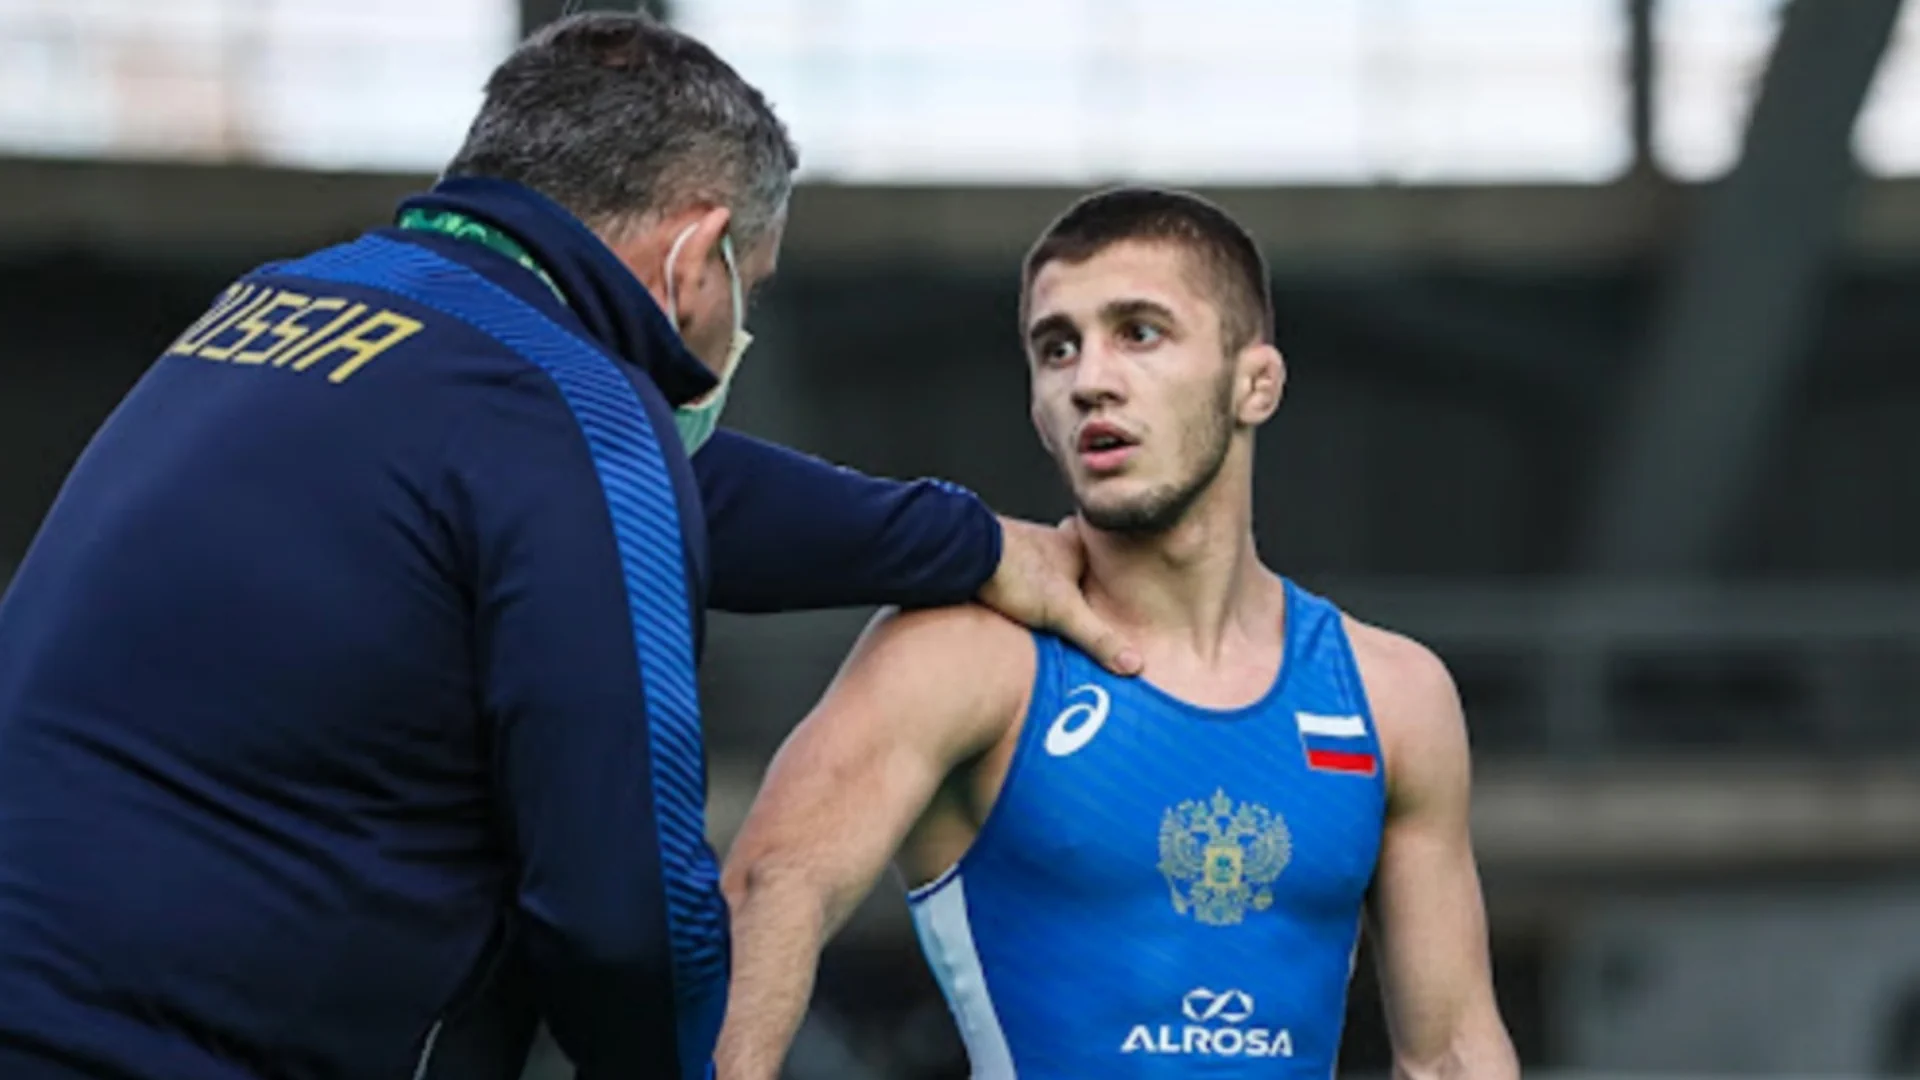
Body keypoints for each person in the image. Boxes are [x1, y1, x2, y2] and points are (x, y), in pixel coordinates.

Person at [0, 14, 1137, 1080]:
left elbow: (663, 490)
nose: (734, 331)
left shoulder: (294, 306)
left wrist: (969, 543)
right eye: (748, 291)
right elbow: (623, 918)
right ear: (697, 255)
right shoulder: (569, 414)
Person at [716, 187, 1521, 1080]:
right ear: (1038, 410)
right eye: (1056, 348)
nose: (1089, 380)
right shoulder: (966, 657)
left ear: (1255, 384)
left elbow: (1453, 1053)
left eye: (1139, 332)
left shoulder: (1392, 694)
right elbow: (770, 885)